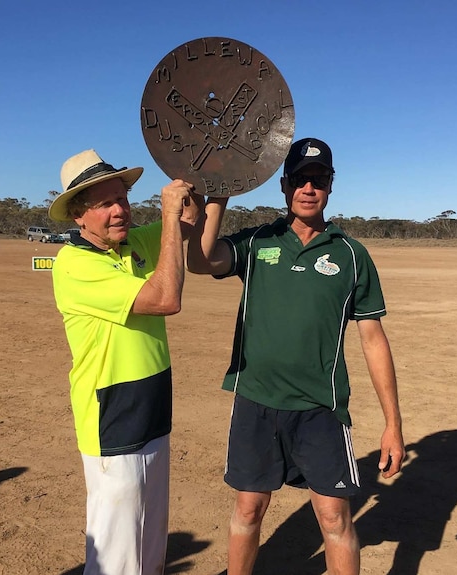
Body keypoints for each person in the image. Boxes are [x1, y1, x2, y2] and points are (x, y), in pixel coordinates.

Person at [186, 137, 405, 575]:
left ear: (330, 186)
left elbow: (373, 339)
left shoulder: (351, 256)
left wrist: (393, 425)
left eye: (318, 180)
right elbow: (201, 259)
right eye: (300, 180)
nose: (309, 188)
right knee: (248, 512)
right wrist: (220, 194)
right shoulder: (258, 242)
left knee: (334, 519)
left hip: (319, 410)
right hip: (256, 401)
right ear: (284, 185)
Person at [49, 149, 198, 575]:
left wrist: (211, 179)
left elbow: (190, 223)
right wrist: (168, 218)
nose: (120, 211)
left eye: (123, 199)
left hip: (152, 404)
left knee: (151, 544)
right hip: (112, 414)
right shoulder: (74, 264)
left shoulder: (134, 242)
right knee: (116, 552)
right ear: (78, 215)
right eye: (105, 204)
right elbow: (166, 298)